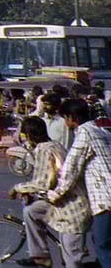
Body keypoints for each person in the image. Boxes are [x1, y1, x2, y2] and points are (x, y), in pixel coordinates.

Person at [12, 115, 90, 268]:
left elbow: (42, 183)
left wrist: (17, 188)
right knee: (31, 211)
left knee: (72, 261)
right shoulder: (55, 145)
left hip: (72, 210)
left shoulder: (44, 150)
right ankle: (40, 256)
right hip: (61, 203)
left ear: (28, 136)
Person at [47, 98, 111, 267]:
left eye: (65, 118)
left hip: (105, 199)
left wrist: (55, 194)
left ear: (71, 117)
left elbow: (71, 168)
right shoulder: (101, 130)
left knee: (102, 243)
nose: (64, 122)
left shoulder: (85, 133)